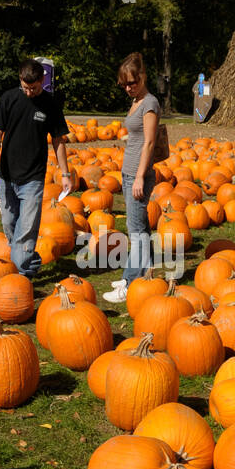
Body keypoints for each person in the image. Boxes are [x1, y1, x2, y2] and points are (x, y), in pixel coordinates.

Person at [0, 58, 71, 283]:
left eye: (33, 88)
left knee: (27, 229)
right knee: (9, 225)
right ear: (20, 80)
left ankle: (21, 277)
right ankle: (29, 261)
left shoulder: (50, 104)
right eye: (25, 87)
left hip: (33, 177)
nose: (29, 92)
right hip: (7, 175)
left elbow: (59, 141)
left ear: (42, 80)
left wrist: (65, 173)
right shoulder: (9, 99)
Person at [103, 53, 160, 306]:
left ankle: (129, 283)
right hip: (129, 173)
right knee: (141, 228)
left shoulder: (150, 103)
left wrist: (138, 177)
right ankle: (145, 275)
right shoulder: (137, 101)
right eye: (124, 84)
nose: (128, 88)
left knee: (135, 231)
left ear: (143, 77)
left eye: (132, 83)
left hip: (139, 175)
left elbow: (149, 142)